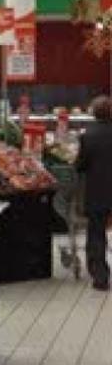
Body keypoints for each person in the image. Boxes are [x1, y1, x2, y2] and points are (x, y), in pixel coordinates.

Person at [76, 95, 112, 290]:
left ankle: (101, 278)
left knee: (96, 234)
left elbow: (80, 166)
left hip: (98, 193)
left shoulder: (87, 136)